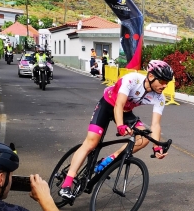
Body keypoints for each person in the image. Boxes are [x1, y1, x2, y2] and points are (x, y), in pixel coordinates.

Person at [58, 60, 174, 201]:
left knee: (143, 138)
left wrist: (156, 146)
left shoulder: (159, 98)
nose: (164, 85)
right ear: (150, 76)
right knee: (91, 143)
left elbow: (155, 124)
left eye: (167, 82)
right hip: (107, 105)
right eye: (162, 81)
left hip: (125, 111)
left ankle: (110, 159)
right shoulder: (132, 79)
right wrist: (120, 125)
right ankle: (67, 183)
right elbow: (118, 104)